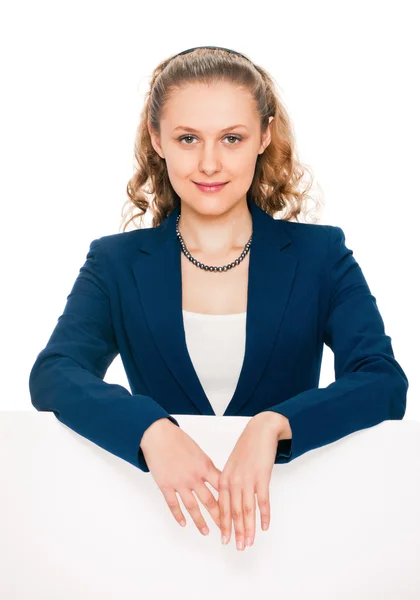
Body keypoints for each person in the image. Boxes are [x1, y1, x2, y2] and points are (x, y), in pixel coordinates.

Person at [29, 46, 409, 552]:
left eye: (232, 138)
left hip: (298, 539)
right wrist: (150, 428)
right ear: (157, 139)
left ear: (264, 137)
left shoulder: (321, 256)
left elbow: (383, 381)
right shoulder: (115, 263)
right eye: (188, 138)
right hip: (154, 539)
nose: (209, 163)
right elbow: (54, 374)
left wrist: (276, 424)